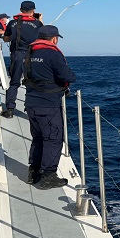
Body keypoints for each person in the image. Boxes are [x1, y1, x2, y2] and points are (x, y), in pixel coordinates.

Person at [22, 25, 76, 188]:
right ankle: (48, 176)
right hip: (48, 105)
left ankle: (34, 171)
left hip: (31, 103)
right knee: (53, 139)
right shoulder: (53, 54)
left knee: (38, 138)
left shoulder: (29, 53)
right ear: (54, 39)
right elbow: (68, 76)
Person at [1, 0, 42, 118]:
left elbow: (6, 39)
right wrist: (40, 20)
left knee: (14, 82)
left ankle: (9, 110)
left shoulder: (13, 23)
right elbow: (43, 36)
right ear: (33, 11)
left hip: (17, 54)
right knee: (32, 82)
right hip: (33, 55)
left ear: (20, 10)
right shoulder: (38, 24)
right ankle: (32, 110)